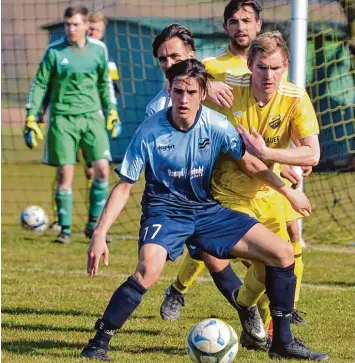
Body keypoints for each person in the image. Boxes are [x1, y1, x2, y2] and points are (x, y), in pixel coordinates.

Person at [80, 59, 328, 362]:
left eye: (191, 92)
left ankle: (283, 342)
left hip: (207, 210)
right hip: (165, 211)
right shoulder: (149, 131)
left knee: (283, 252)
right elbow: (123, 186)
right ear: (169, 90)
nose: (183, 99)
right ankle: (98, 342)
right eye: (178, 91)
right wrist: (100, 233)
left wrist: (286, 190)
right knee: (149, 269)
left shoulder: (216, 124)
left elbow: (249, 162)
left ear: (203, 93)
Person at [161, 0, 309, 330]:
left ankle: (276, 321)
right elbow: (177, 82)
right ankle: (179, 289)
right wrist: (206, 83)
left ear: (258, 26)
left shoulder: (275, 73)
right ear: (226, 27)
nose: (240, 26)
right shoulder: (213, 66)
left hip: (265, 175)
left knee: (287, 244)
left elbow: (284, 123)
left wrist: (289, 157)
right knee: (208, 249)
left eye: (246, 20)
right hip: (222, 172)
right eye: (233, 21)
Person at [24, 5, 120, 244]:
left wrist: (112, 112)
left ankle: (93, 226)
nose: (71, 29)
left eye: (76, 24)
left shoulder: (98, 50)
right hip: (62, 118)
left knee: (102, 170)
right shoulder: (54, 51)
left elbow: (104, 85)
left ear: (86, 25)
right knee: (65, 173)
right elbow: (40, 85)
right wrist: (31, 116)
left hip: (92, 117)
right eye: (67, 24)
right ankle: (65, 229)